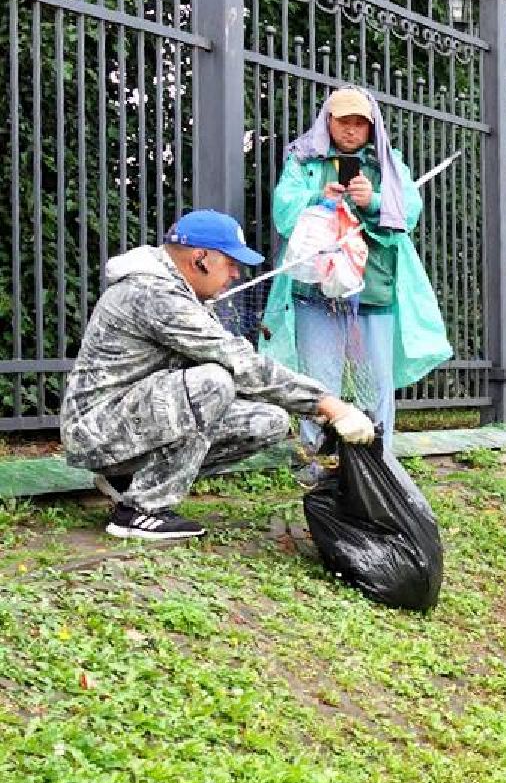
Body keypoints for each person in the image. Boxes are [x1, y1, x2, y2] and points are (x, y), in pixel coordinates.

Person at [60, 209, 377, 540]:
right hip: (96, 428)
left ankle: (128, 479)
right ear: (201, 259)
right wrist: (328, 404)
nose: (236, 274)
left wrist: (315, 406)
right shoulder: (152, 293)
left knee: (268, 421)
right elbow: (240, 364)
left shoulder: (178, 291)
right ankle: (140, 511)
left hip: (127, 419)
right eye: (230, 262)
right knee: (213, 382)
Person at [260, 85, 451, 455]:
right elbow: (284, 212)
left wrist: (373, 200)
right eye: (342, 121)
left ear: (371, 126)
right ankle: (319, 464)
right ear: (327, 121)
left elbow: (409, 212)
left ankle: (378, 461)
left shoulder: (388, 163)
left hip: (374, 288)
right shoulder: (303, 160)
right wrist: (321, 200)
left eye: (359, 123)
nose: (350, 130)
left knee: (376, 386)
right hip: (315, 291)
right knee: (318, 382)